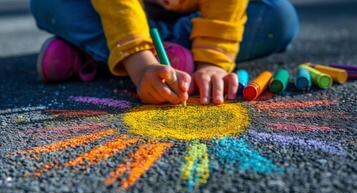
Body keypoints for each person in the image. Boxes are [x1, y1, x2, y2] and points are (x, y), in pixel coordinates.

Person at [30, 0, 299, 105]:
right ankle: (158, 54)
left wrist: (212, 62)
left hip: (197, 14)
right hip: (119, 11)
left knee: (278, 18)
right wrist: (141, 64)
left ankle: (90, 54)